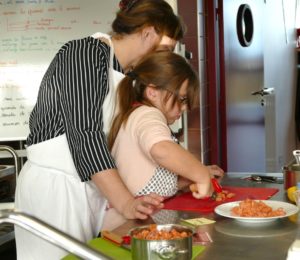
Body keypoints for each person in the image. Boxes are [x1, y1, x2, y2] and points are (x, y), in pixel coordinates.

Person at [14, 0, 185, 259]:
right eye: (166, 48)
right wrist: (126, 202)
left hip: (93, 192)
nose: (166, 58)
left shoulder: (127, 74)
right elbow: (85, 135)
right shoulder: (84, 53)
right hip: (55, 190)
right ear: (147, 32)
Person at [103, 51, 224, 230]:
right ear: (152, 92)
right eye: (182, 99)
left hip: (142, 224)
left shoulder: (140, 114)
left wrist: (187, 178)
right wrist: (200, 174)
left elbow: (151, 177)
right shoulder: (147, 115)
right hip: (126, 228)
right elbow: (161, 150)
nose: (184, 108)